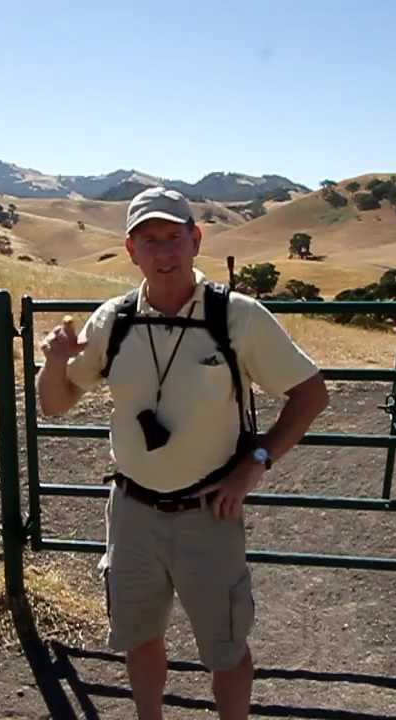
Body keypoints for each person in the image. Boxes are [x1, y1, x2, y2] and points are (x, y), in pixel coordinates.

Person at [35, 187, 328, 719]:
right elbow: (54, 404)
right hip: (131, 512)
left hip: (208, 512)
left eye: (174, 238)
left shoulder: (237, 317)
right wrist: (55, 362)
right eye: (150, 241)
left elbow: (311, 393)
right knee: (139, 639)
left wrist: (253, 466)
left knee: (226, 650)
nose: (164, 252)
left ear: (196, 240)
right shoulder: (114, 320)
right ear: (131, 249)